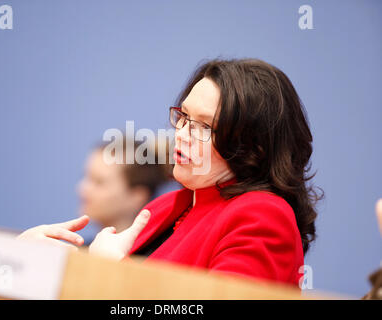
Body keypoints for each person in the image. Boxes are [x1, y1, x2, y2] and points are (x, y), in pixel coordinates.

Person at [18, 58, 323, 287]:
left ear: (253, 147)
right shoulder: (166, 207)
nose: (182, 133)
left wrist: (109, 275)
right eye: (184, 116)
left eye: (203, 126)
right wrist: (32, 262)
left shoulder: (263, 215)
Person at [75, 137, 177, 244]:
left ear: (137, 197)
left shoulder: (155, 257)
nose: (82, 188)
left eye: (99, 182)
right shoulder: (80, 251)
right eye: (87, 177)